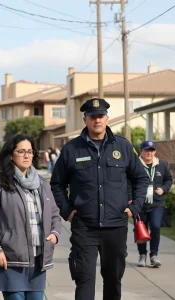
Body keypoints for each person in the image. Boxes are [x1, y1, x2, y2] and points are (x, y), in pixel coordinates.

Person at [50, 98, 149, 300]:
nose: (97, 120)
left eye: (101, 116)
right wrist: (67, 211)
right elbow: (56, 184)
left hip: (115, 226)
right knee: (84, 279)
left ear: (107, 118)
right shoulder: (72, 149)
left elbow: (141, 178)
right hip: (84, 227)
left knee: (113, 280)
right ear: (85, 119)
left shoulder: (122, 146)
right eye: (92, 116)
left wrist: (135, 206)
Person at [0, 134, 62, 300]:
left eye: (30, 151)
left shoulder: (41, 183)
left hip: (38, 262)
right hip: (10, 261)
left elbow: (54, 213)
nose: (27, 155)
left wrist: (54, 235)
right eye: (21, 151)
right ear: (11, 155)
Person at [137, 141, 173, 268]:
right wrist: (131, 199)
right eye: (147, 150)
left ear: (155, 152)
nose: (149, 153)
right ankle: (142, 254)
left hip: (157, 203)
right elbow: (129, 182)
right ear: (141, 151)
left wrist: (163, 189)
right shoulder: (135, 165)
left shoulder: (162, 164)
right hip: (140, 204)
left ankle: (154, 255)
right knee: (141, 229)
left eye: (152, 150)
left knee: (155, 227)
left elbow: (169, 179)